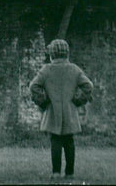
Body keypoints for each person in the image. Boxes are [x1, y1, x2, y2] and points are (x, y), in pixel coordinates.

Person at [29, 39, 93, 179]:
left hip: (52, 111)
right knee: (69, 142)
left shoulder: (46, 70)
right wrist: (78, 101)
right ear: (67, 54)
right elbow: (88, 86)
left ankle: (56, 172)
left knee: (56, 142)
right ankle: (69, 173)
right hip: (70, 111)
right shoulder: (74, 69)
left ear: (52, 54)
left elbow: (33, 86)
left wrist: (44, 101)